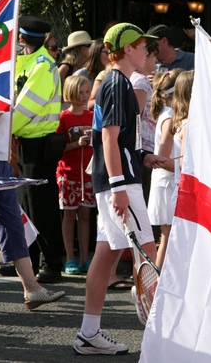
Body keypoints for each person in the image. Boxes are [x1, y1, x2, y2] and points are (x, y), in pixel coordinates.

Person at [73, 23, 167, 355]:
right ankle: (165, 342)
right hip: (119, 183)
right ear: (128, 49)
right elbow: (108, 138)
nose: (148, 51)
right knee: (148, 253)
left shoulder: (119, 82)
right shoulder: (117, 82)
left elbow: (118, 139)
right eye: (143, 46)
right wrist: (118, 187)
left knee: (106, 254)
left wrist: (143, 156)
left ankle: (88, 333)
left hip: (119, 179)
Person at [0, 109, 66, 311]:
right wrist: (1, 108)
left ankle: (31, 288)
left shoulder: (2, 87)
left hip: (2, 165)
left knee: (14, 226)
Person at [12, 16, 66, 283]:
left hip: (38, 144)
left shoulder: (43, 67)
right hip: (25, 143)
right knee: (25, 206)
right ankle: (29, 261)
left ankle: (52, 262)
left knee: (41, 207)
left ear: (21, 39)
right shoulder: (28, 63)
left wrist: (1, 129)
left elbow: (25, 107)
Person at [56, 76, 95, 276]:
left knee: (86, 216)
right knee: (69, 215)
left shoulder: (92, 115)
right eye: (80, 92)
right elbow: (56, 148)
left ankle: (84, 258)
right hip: (68, 174)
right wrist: (75, 144)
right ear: (70, 93)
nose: (84, 96)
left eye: (87, 91)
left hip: (87, 175)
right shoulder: (64, 117)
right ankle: (70, 257)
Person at [148, 69, 183, 270]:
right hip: (167, 184)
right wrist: (185, 167)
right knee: (168, 235)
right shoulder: (169, 118)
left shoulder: (167, 113)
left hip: (166, 183)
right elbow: (160, 159)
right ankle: (156, 281)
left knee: (168, 235)